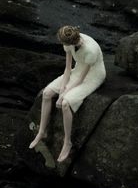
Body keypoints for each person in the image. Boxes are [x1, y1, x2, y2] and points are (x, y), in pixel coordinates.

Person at [29, 25, 106, 162]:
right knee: (47, 93)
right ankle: (42, 131)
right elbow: (68, 68)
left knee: (65, 104)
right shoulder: (70, 42)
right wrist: (63, 88)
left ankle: (67, 141)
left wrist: (64, 94)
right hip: (77, 72)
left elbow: (82, 79)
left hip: (92, 76)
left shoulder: (90, 50)